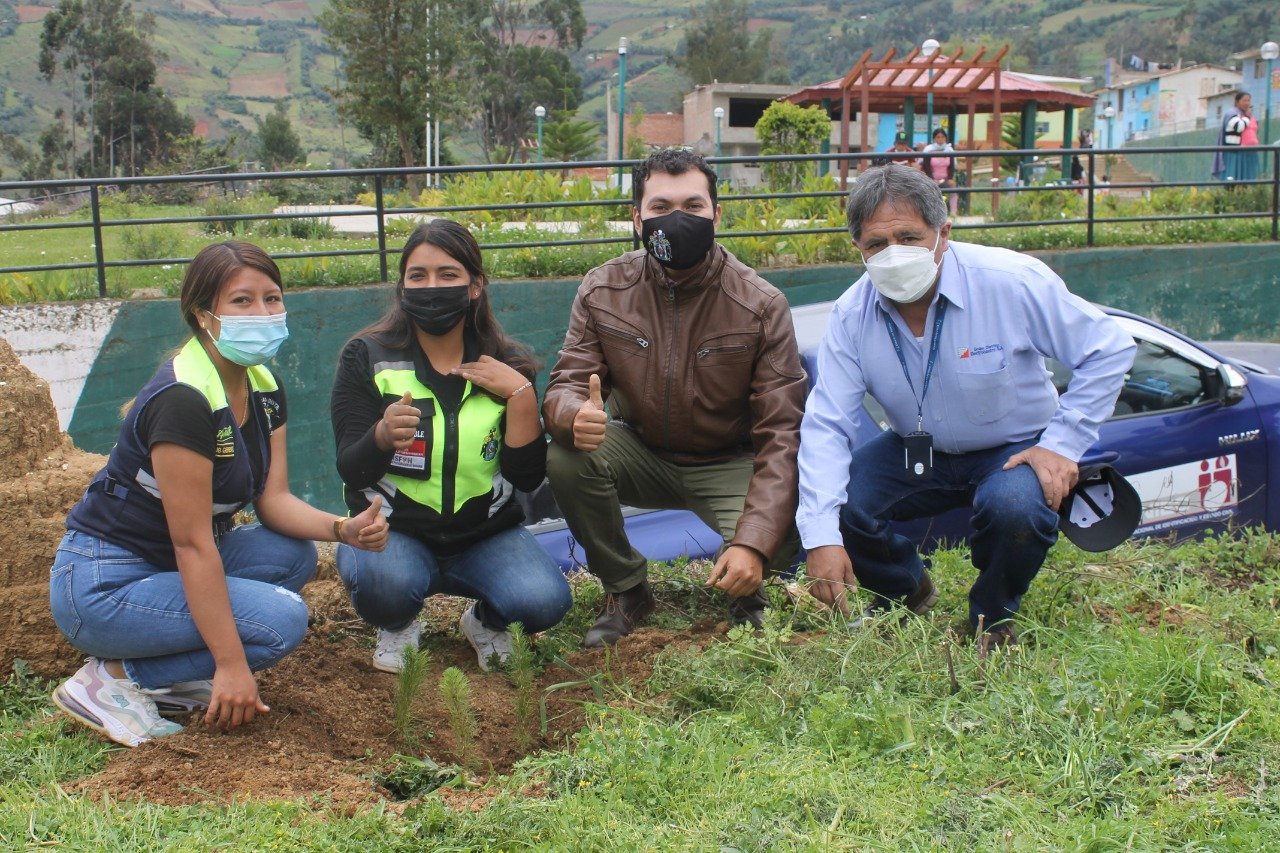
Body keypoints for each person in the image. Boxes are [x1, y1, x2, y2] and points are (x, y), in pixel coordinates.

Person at [49, 241, 389, 748]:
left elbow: (273, 500)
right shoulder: (184, 400)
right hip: (105, 583)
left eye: (272, 298)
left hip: (164, 565)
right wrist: (231, 664)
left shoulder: (263, 383)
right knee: (279, 623)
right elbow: (192, 545)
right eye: (243, 302)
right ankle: (114, 680)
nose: (264, 313)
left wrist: (343, 530)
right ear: (203, 314)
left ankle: (166, 677)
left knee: (291, 555)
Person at [798, 166, 1135, 651]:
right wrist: (820, 537)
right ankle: (906, 588)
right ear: (857, 249)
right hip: (920, 449)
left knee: (1015, 508)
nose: (894, 254)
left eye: (909, 237)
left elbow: (1108, 348)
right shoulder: (853, 316)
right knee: (839, 503)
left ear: (944, 233)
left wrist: (1062, 445)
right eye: (876, 244)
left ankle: (992, 616)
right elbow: (826, 424)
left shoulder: (1009, 282)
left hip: (1014, 449)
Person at [543, 148, 805, 647]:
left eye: (693, 205)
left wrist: (753, 542)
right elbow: (569, 379)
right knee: (567, 458)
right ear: (637, 216)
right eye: (661, 207)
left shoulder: (760, 303)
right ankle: (626, 590)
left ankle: (747, 589)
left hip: (728, 461)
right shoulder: (603, 288)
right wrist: (572, 415)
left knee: (779, 528)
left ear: (716, 214)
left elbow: (781, 433)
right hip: (641, 451)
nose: (677, 220)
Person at [331, 219, 571, 673]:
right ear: (402, 286)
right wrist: (381, 436)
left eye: (448, 275)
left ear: (475, 285)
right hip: (394, 532)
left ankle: (483, 622)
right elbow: (351, 469)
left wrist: (521, 397)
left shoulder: (508, 364)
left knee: (544, 602)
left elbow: (525, 478)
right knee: (386, 589)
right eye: (417, 276)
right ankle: (399, 623)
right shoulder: (366, 355)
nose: (431, 287)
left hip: (485, 535)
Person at [1213, 92, 1260, 182]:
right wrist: (1247, 117)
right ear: (1237, 102)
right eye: (1244, 100)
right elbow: (1239, 127)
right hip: (1236, 152)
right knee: (1233, 178)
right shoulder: (1232, 114)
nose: (1247, 103)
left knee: (1247, 179)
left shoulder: (1248, 115)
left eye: (1248, 101)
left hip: (1250, 152)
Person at [921, 128, 957, 213]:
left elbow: (951, 166)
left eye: (942, 137)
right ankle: (931, 213)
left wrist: (950, 178)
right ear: (934, 138)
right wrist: (932, 179)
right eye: (938, 137)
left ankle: (953, 212)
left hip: (945, 178)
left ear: (945, 138)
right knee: (929, 190)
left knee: (953, 188)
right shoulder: (928, 150)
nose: (940, 139)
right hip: (931, 179)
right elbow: (926, 167)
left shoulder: (949, 150)